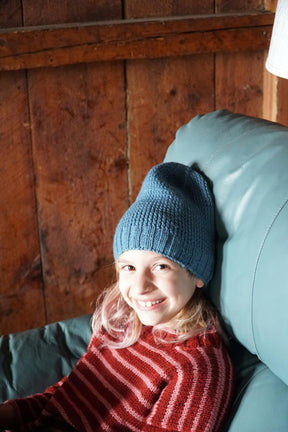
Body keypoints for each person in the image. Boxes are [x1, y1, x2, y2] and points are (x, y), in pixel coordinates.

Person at [0, 162, 234, 432]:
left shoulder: (196, 366)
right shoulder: (122, 324)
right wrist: (10, 413)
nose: (141, 286)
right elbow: (67, 402)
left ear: (196, 273)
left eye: (161, 266)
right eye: (129, 267)